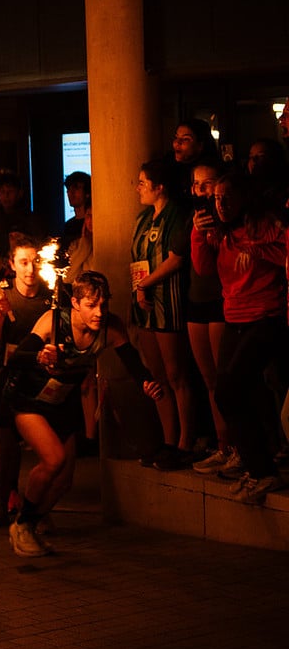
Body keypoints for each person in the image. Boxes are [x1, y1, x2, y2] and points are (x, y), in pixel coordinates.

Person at [0, 271, 163, 556]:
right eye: (91, 305)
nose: (99, 312)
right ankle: (21, 524)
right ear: (75, 303)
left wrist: (146, 381)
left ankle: (32, 519)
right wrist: (40, 356)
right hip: (30, 399)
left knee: (63, 481)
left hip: (62, 401)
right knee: (54, 460)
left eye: (104, 304)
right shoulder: (52, 322)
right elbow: (16, 358)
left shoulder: (111, 327)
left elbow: (132, 361)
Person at [192, 171, 288, 503]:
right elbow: (203, 268)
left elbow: (283, 249)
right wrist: (197, 233)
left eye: (228, 197)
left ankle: (263, 468)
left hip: (265, 316)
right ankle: (256, 463)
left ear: (243, 197)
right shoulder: (220, 232)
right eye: (216, 198)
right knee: (233, 391)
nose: (221, 204)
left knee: (231, 391)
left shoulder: (260, 224)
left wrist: (260, 248)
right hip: (233, 318)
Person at [0, 237, 51, 530]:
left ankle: (39, 509)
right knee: (6, 447)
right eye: (23, 262)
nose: (30, 269)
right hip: (8, 377)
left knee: (46, 449)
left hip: (41, 378)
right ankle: (0, 507)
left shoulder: (50, 294)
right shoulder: (1, 294)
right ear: (11, 264)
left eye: (34, 261)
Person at [130, 158, 197, 469]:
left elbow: (175, 259)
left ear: (160, 186)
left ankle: (186, 441)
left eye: (143, 182)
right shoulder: (144, 218)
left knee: (176, 373)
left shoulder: (176, 215)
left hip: (167, 302)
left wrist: (146, 283)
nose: (138, 188)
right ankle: (167, 440)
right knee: (157, 376)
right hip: (145, 304)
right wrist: (138, 288)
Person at [183, 162, 230, 472]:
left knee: (225, 379)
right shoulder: (195, 219)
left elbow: (210, 267)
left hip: (220, 301)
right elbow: (198, 265)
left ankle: (234, 444)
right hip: (196, 300)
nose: (201, 190)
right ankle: (222, 444)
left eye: (208, 183)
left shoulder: (227, 219)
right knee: (209, 379)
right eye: (196, 184)